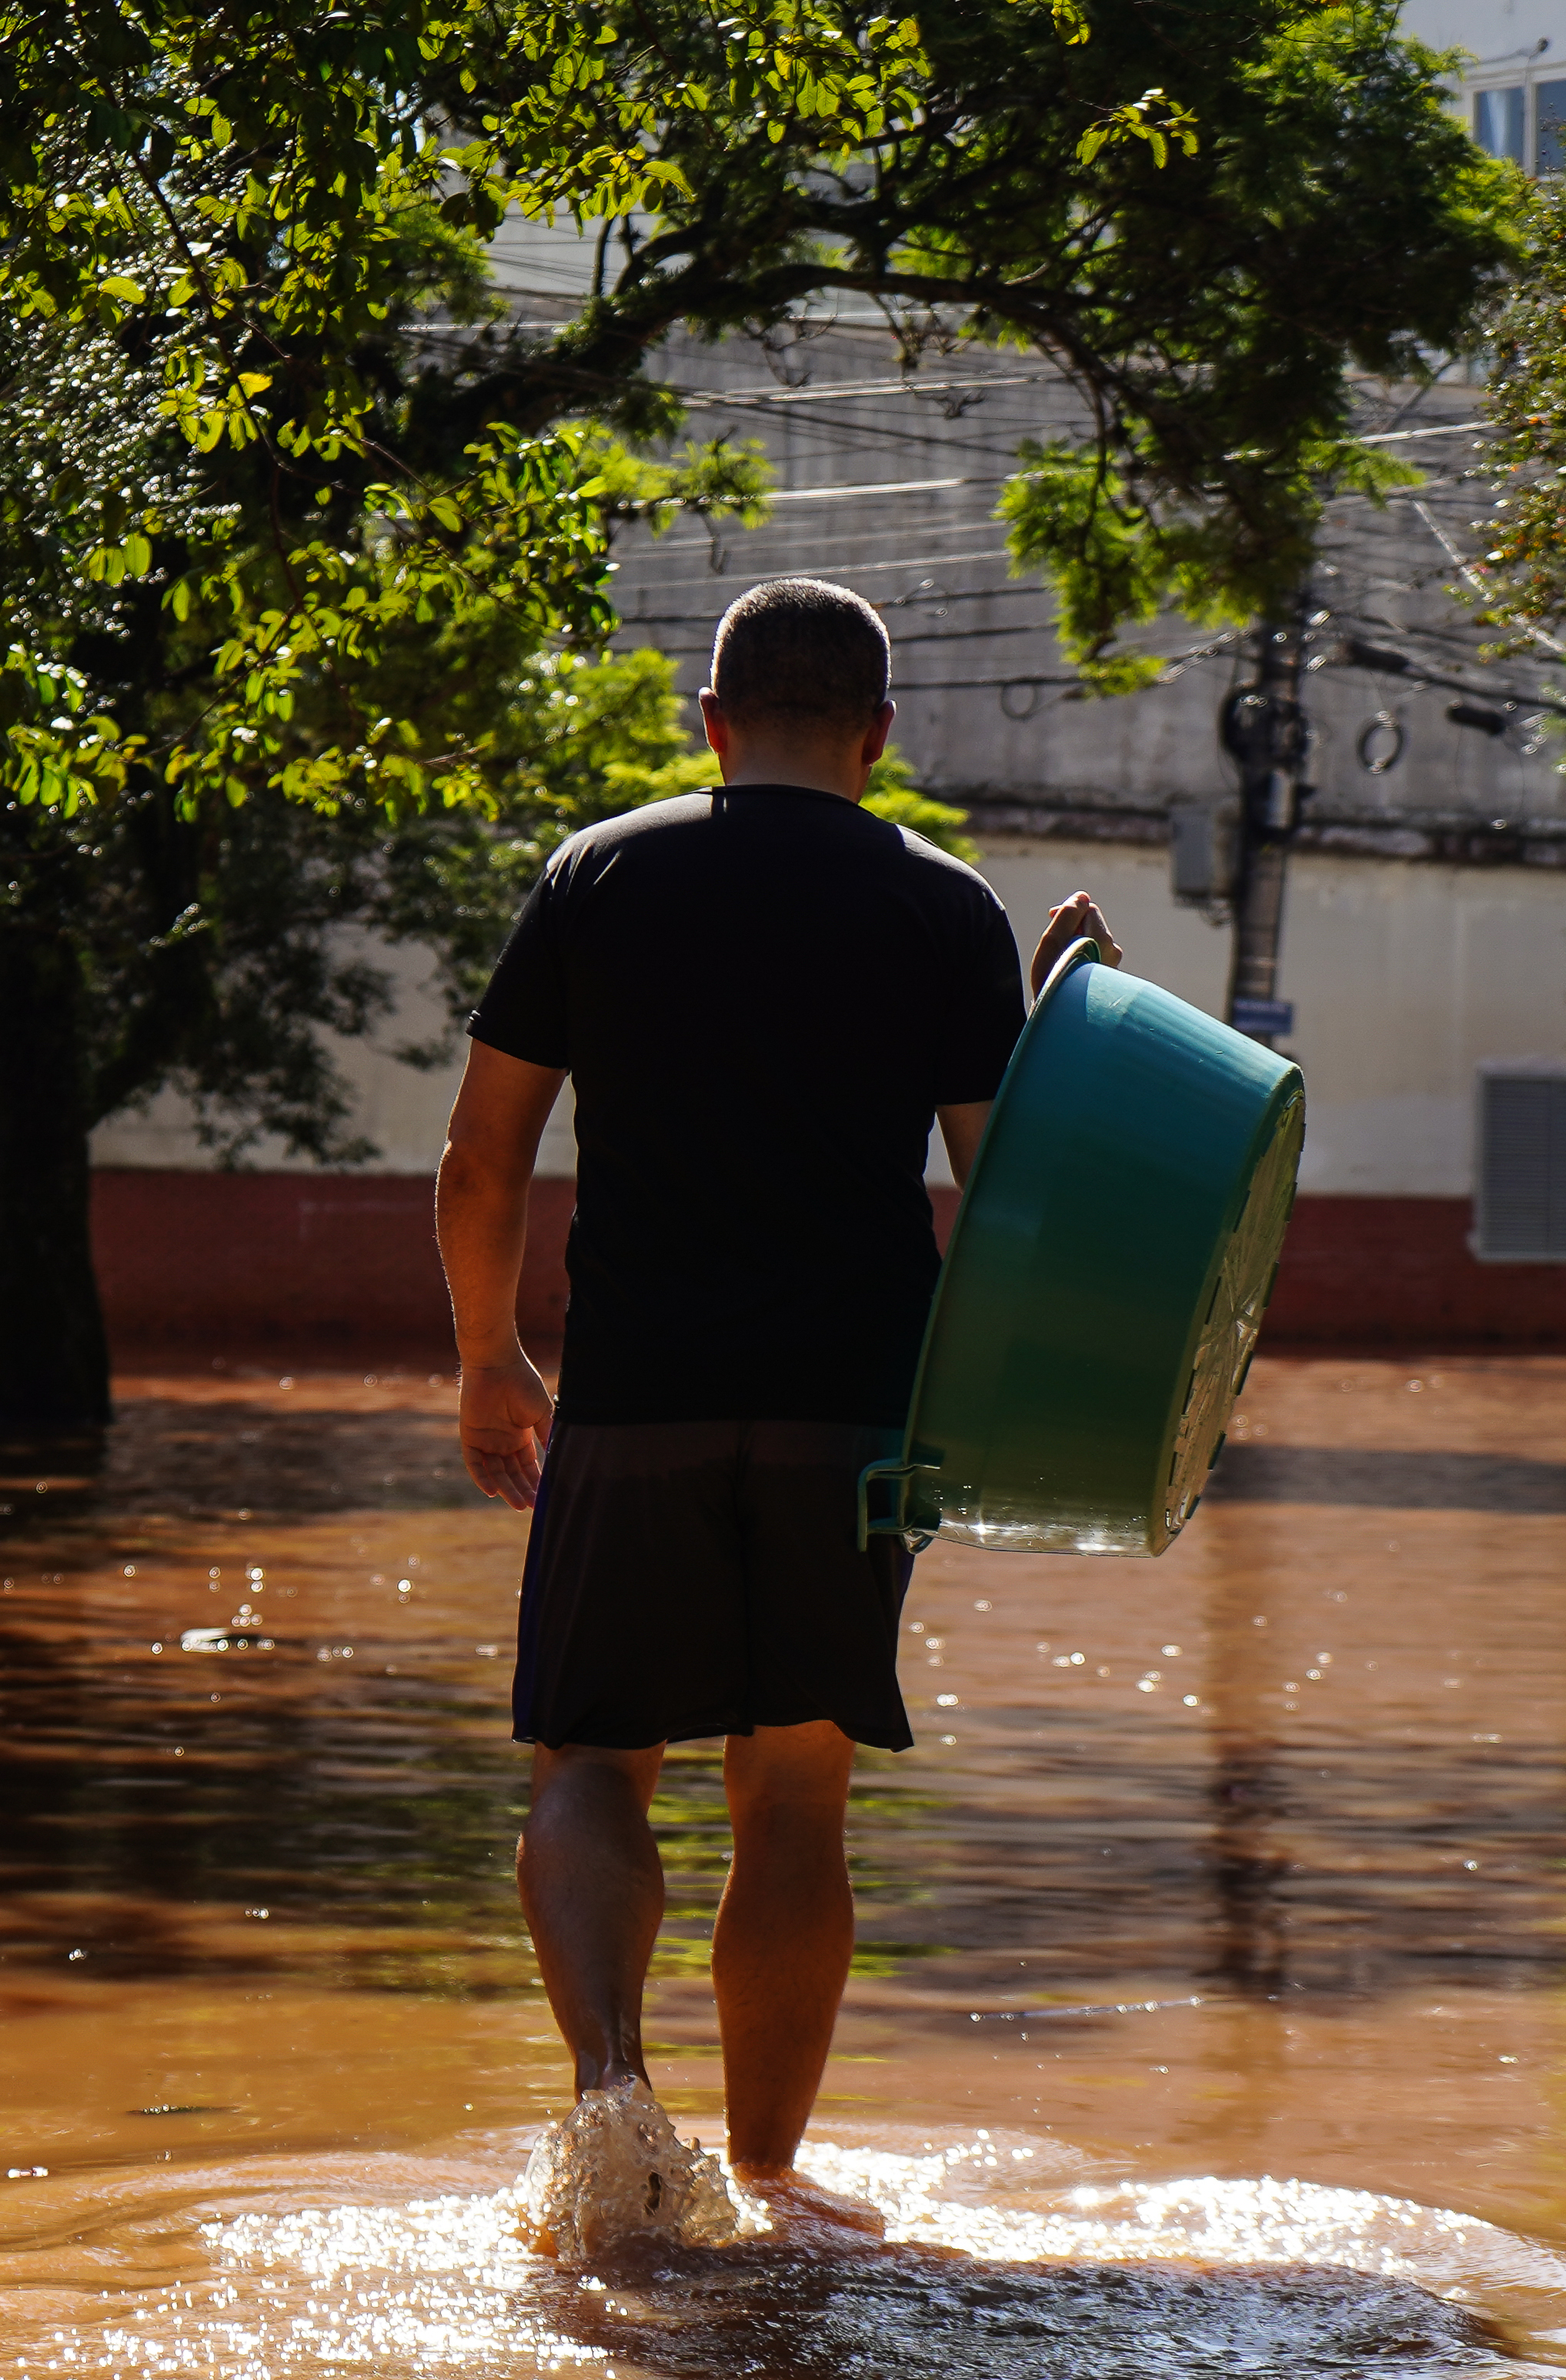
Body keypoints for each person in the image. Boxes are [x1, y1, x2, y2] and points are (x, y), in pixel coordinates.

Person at [432, 576, 1117, 2240]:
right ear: (878, 738)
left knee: (592, 1756)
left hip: (641, 1392)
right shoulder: (943, 907)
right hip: (852, 1416)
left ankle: (611, 2100)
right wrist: (1073, 1021)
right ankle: (766, 2172)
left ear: (711, 721)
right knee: (797, 1788)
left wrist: (488, 1359)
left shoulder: (601, 872)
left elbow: (483, 1152)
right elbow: (1006, 1195)